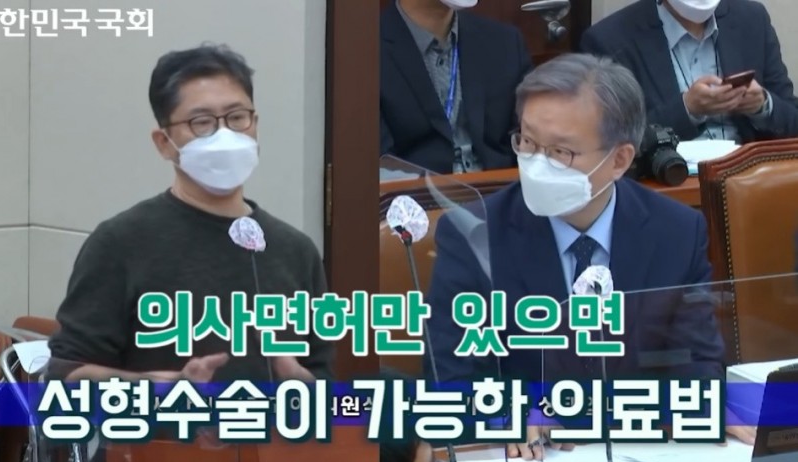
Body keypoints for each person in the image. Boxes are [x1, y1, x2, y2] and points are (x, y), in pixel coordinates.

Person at [425, 53, 754, 460]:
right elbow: (448, 376)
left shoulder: (676, 232)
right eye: (527, 142)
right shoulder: (472, 233)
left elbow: (695, 359)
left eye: (560, 152)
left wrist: (703, 403)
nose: (536, 164)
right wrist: (502, 412)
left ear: (619, 159)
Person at [48, 44, 333, 384]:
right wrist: (159, 389)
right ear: (164, 143)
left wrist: (305, 386)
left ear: (255, 124)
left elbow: (322, 373)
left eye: (237, 117)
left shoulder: (295, 250)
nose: (225, 135)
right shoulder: (120, 243)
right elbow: (66, 374)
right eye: (202, 122)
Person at [581, 0, 798, 143]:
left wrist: (762, 105)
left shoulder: (752, 19)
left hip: (748, 176)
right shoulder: (609, 40)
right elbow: (610, 143)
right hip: (668, 182)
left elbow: (792, 118)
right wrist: (688, 109)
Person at [381, 0, 534, 174]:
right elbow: (382, 166)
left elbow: (533, 136)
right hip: (418, 188)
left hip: (500, 185)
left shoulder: (505, 41)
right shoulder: (366, 52)